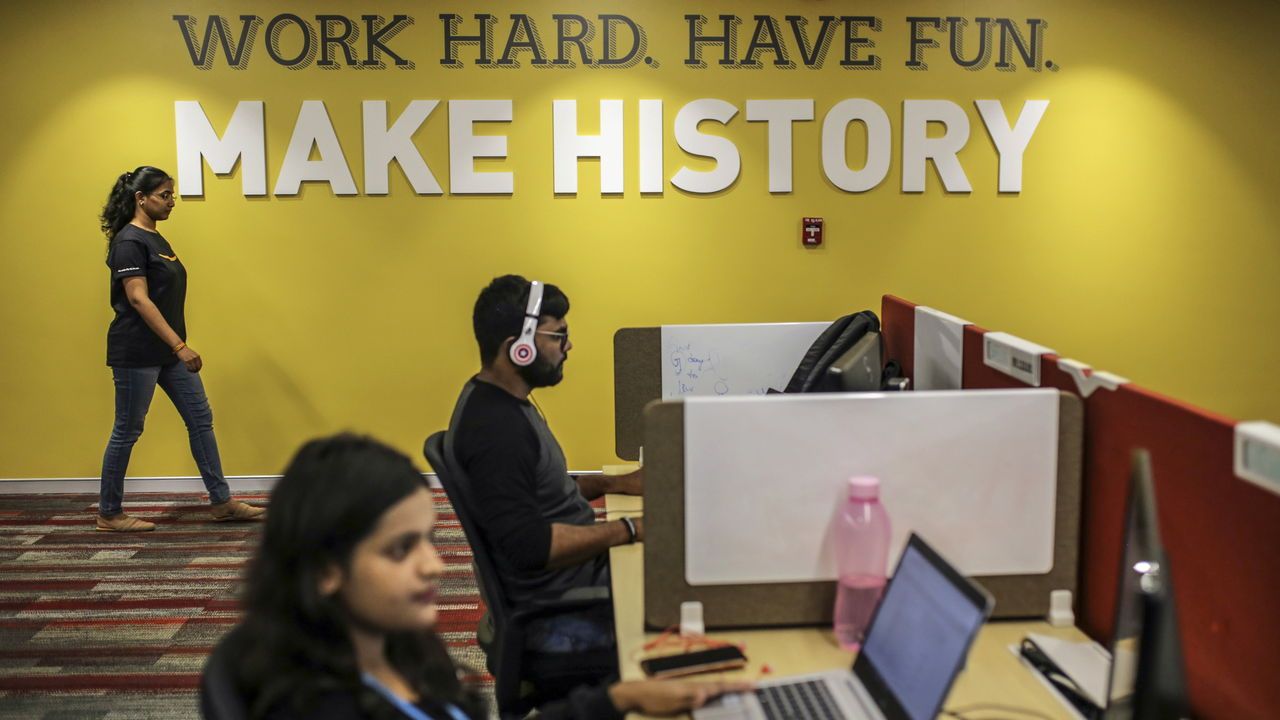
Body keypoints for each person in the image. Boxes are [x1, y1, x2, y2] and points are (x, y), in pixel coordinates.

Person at [209, 433, 748, 719]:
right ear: (326, 570)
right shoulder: (325, 706)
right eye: (401, 550)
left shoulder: (394, 655)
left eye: (426, 538)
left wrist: (618, 700)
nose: (435, 564)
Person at [447, 275, 643, 656]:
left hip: (576, 584)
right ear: (518, 348)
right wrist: (631, 527)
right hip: (562, 613)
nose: (567, 346)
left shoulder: (501, 403)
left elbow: (535, 494)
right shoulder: (496, 431)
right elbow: (530, 545)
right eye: (557, 336)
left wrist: (608, 484)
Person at [96, 166, 263, 531]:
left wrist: (174, 348)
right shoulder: (129, 242)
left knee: (200, 420)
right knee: (128, 429)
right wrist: (180, 345)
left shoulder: (157, 240)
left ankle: (222, 503)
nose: (172, 202)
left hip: (167, 352)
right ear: (141, 199)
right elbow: (138, 299)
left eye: (172, 194)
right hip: (137, 351)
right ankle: (109, 513)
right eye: (164, 195)